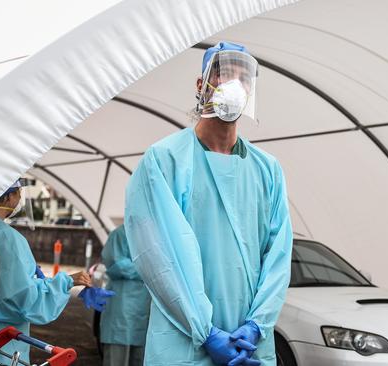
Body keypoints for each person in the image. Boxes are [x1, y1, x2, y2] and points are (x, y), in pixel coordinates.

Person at [125, 41, 293, 366]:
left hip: (250, 348)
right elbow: (161, 260)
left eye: (243, 77)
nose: (234, 84)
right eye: (224, 74)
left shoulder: (267, 169)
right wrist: (206, 332)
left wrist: (257, 325)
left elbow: (278, 256)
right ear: (202, 85)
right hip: (184, 342)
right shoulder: (164, 160)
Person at [0, 179, 92, 363]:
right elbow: (23, 301)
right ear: (7, 197)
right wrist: (66, 281)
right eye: (18, 192)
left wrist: (33, 279)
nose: (20, 197)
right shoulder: (7, 238)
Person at [99, 224, 151, 366]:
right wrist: (149, 270)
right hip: (121, 306)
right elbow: (117, 265)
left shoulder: (153, 235)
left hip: (143, 307)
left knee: (141, 356)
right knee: (116, 357)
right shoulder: (121, 234)